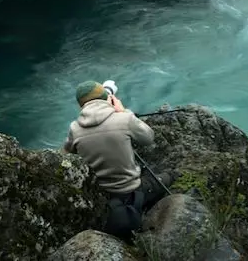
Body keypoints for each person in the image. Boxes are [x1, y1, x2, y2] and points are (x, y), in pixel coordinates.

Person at [62, 80, 172, 239]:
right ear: (108, 98)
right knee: (170, 176)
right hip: (133, 189)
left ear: (81, 106)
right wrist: (124, 111)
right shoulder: (124, 119)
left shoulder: (74, 129)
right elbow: (149, 138)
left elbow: (65, 155)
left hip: (103, 194)